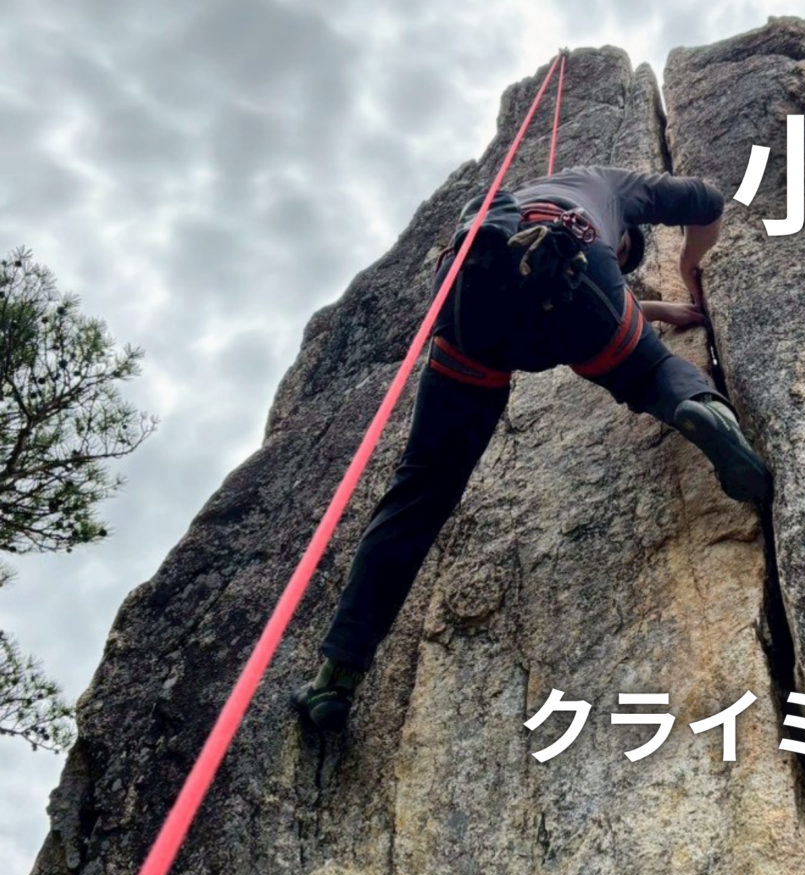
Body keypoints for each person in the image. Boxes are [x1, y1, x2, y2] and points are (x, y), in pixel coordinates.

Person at [291, 165, 772, 732]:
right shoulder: (610, 201)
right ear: (624, 244)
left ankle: (338, 674)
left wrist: (660, 310)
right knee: (650, 374)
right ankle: (701, 409)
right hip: (577, 285)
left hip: (473, 308)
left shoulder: (572, 184)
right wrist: (691, 268)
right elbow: (709, 202)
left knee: (421, 493)